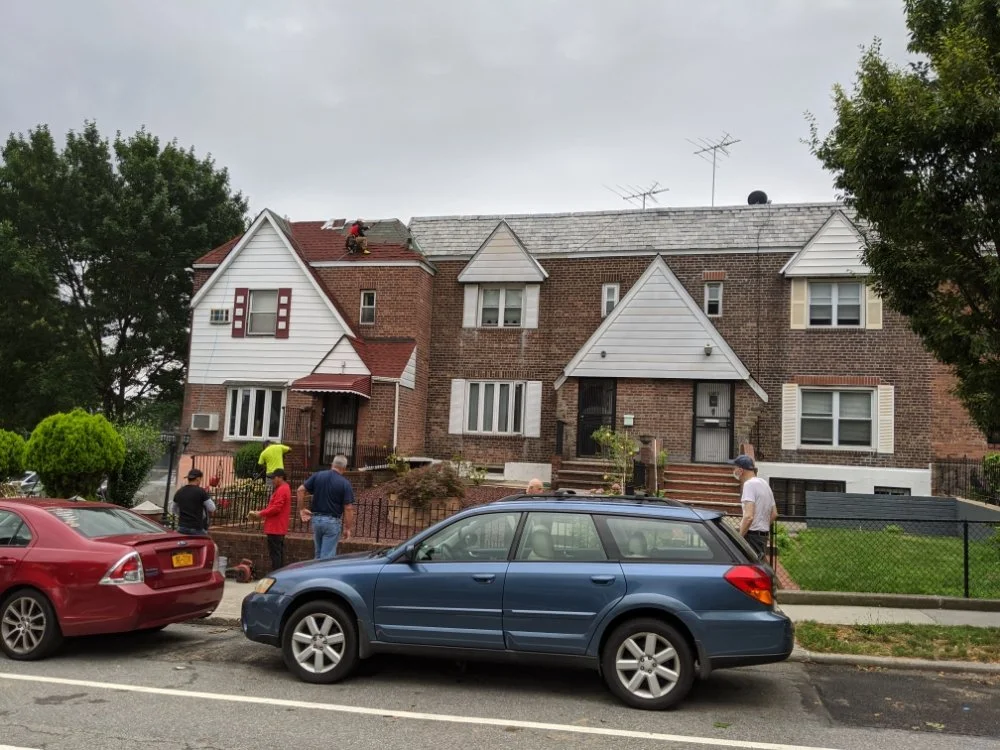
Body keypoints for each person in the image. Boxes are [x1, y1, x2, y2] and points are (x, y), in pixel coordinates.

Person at [297, 454, 356, 560]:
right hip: (332, 522)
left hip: (316, 520)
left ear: (332, 464)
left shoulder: (318, 475)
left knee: (318, 554)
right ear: (344, 468)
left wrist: (301, 509)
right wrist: (347, 528)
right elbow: (348, 508)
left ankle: (315, 575)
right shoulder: (345, 483)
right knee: (326, 558)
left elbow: (300, 490)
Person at [730, 455, 777, 559]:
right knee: (760, 568)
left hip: (752, 537)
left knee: (751, 570)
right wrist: (762, 526)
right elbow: (774, 514)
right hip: (762, 537)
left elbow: (748, 517)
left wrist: (740, 538)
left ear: (741, 470)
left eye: (735, 468)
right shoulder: (764, 483)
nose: (733, 471)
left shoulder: (749, 485)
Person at [248, 469, 292, 571]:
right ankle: (279, 574)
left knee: (275, 554)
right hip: (278, 526)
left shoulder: (282, 489)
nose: (272, 480)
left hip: (275, 527)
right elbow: (274, 507)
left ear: (280, 477)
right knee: (278, 553)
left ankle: (276, 575)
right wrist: (261, 512)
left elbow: (276, 508)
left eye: (274, 478)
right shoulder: (284, 488)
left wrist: (261, 513)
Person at [170, 468, 216, 536]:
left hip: (181, 528)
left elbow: (173, 509)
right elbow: (212, 508)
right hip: (196, 528)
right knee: (208, 543)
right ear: (198, 479)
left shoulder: (179, 492)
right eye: (201, 479)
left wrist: (183, 515)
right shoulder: (201, 491)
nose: (200, 481)